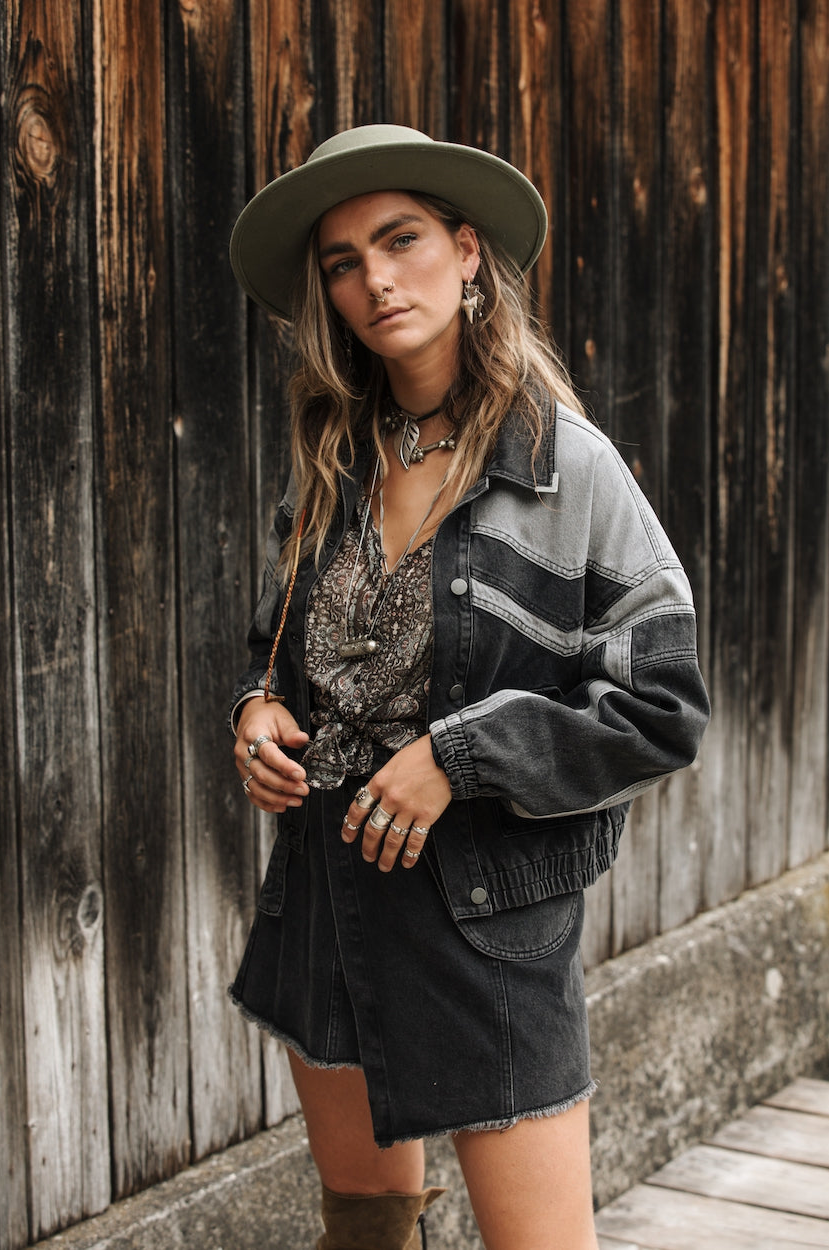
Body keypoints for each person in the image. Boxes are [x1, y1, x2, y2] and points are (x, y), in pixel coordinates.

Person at [227, 124, 709, 1250]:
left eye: (399, 240)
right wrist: (258, 708)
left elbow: (663, 705)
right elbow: (283, 641)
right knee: (364, 1230)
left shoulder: (566, 468)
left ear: (467, 251)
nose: (374, 280)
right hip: (329, 894)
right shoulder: (337, 454)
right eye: (342, 261)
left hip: (485, 919)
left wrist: (459, 756)